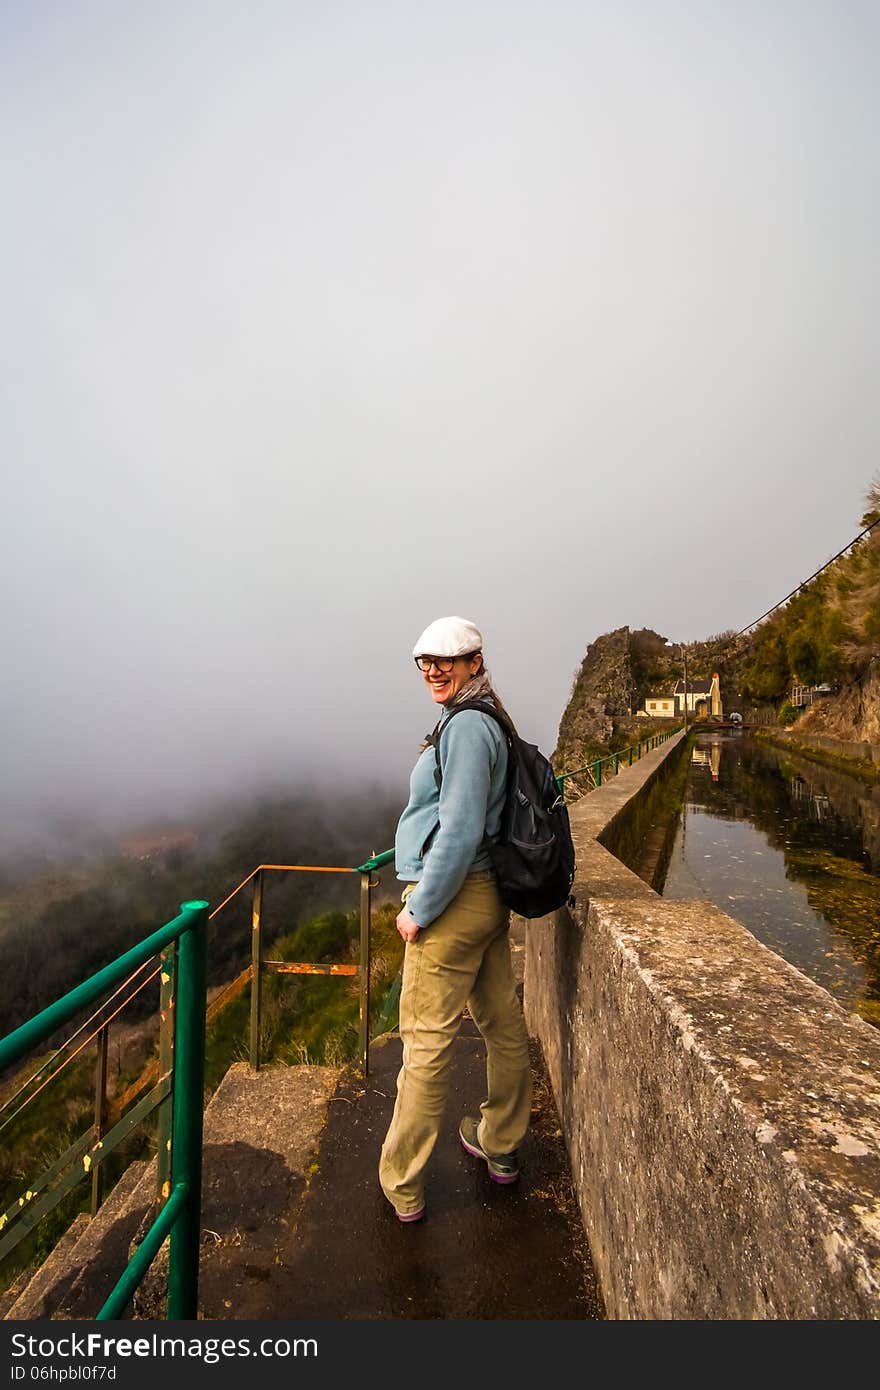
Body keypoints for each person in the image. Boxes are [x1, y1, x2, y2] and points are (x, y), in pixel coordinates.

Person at [378, 615, 533, 1222]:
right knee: (501, 1020)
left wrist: (420, 908)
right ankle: (500, 1145)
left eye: (449, 659)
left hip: (457, 898)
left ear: (474, 662)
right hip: (489, 896)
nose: (434, 670)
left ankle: (403, 1181)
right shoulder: (485, 714)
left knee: (425, 1041)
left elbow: (462, 828)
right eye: (425, 661)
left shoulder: (467, 726)